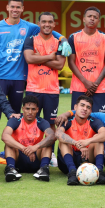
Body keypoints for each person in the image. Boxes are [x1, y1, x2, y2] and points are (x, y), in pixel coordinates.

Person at [0, 0, 70, 139]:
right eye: (12, 6)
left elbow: (47, 28)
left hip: (19, 79)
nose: (15, 9)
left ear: (22, 9)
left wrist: (62, 38)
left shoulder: (28, 27)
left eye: (18, 7)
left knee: (17, 117)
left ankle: (15, 149)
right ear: (7, 7)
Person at [23, 12, 66, 165]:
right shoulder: (30, 40)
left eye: (50, 22)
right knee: (31, 122)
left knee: (50, 124)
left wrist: (40, 58)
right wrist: (50, 57)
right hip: (33, 89)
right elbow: (29, 58)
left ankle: (50, 154)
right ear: (39, 24)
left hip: (51, 90)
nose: (47, 24)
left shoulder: (61, 43)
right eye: (44, 22)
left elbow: (60, 65)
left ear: (54, 25)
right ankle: (30, 151)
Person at [54, 95, 105, 185]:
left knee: (98, 138)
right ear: (75, 107)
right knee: (63, 141)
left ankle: (100, 172)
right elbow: (58, 134)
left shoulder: (94, 121)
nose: (85, 109)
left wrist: (88, 141)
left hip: (87, 158)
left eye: (88, 107)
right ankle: (72, 172)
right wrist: (76, 143)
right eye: (82, 105)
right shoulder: (68, 120)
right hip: (69, 158)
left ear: (90, 111)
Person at [1, 95, 56, 182]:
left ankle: (44, 169)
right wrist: (23, 148)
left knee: (47, 142)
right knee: (9, 143)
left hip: (36, 158)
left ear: (37, 110)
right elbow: (5, 136)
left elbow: (52, 136)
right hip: (19, 158)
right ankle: (11, 169)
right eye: (27, 109)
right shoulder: (15, 120)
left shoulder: (42, 122)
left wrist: (35, 147)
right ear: (23, 109)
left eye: (33, 109)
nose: (30, 112)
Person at [68, 6, 105, 113]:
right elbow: (71, 62)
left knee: (100, 119)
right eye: (89, 16)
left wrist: (95, 84)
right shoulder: (73, 37)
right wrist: (85, 82)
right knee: (78, 118)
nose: (92, 19)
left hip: (100, 87)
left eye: (95, 17)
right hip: (79, 86)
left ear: (98, 20)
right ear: (83, 19)